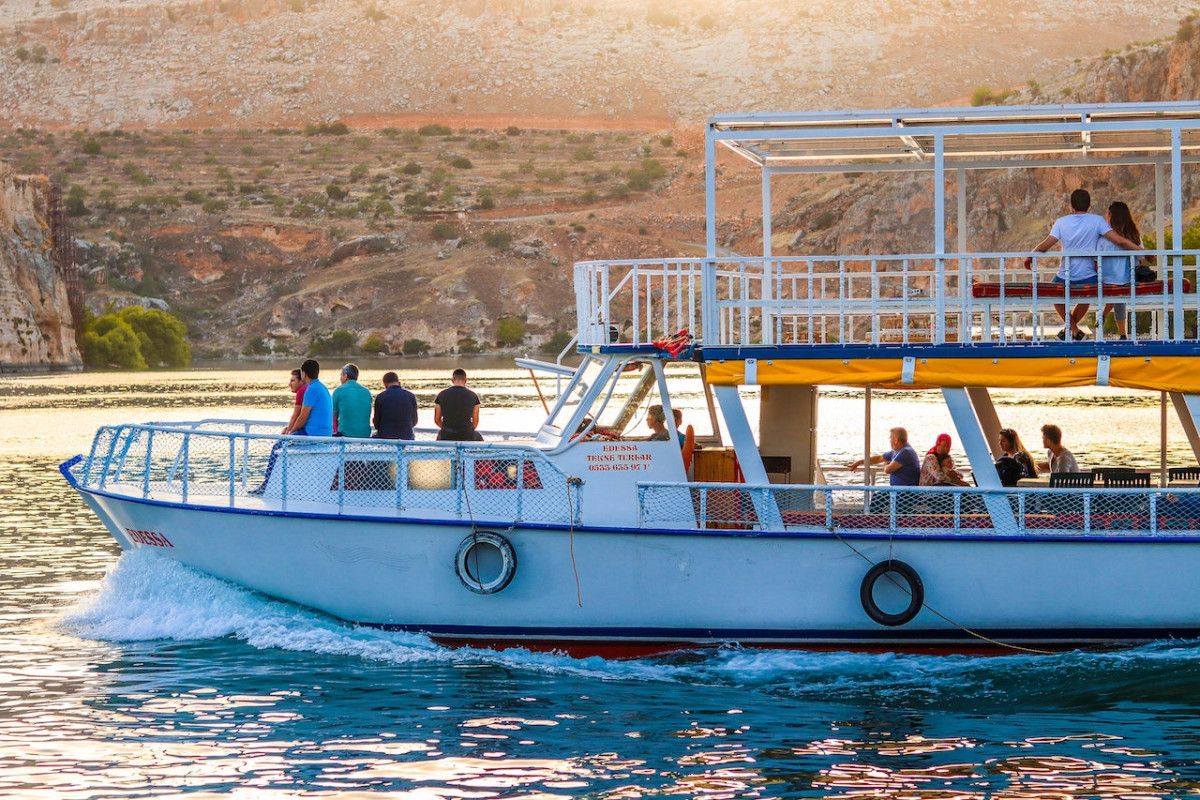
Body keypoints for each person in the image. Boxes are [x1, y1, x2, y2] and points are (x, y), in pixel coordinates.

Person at [1024, 188, 1143, 341]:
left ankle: (1072, 330)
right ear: (1090, 204)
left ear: (1071, 205)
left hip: (1065, 275)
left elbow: (1045, 245)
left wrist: (1030, 256)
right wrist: (1142, 252)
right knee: (1086, 298)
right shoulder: (1097, 221)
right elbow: (1119, 240)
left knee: (1053, 295)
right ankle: (1074, 329)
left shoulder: (1061, 222)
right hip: (1088, 276)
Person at [1097, 200, 1149, 340]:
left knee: (1117, 292)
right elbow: (1140, 258)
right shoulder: (1133, 236)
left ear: (1110, 215)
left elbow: (1096, 260)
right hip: (1126, 278)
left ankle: (1105, 318)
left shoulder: (1103, 237)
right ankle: (1122, 333)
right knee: (1120, 292)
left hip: (1106, 279)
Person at [846, 427, 921, 486]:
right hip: (897, 491)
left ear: (895, 440)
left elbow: (888, 470)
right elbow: (878, 459)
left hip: (906, 494)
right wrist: (859, 462)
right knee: (877, 498)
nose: (889, 440)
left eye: (890, 438)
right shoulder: (896, 451)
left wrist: (886, 464)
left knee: (877, 500)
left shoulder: (906, 452)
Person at [434, 368, 482, 441]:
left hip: (446, 435)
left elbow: (437, 420)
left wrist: (447, 429)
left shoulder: (441, 395)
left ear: (452, 380)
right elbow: (475, 421)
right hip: (466, 435)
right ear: (465, 380)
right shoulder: (473, 396)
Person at [373, 371, 418, 440]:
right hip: (407, 436)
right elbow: (414, 421)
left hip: (386, 436)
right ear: (399, 382)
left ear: (385, 384)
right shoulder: (410, 396)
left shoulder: (381, 397)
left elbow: (376, 423)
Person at [293, 358, 333, 437]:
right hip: (327, 433)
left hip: (314, 433)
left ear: (304, 374)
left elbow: (302, 418)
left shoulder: (311, 389)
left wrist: (291, 431)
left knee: (279, 444)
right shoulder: (322, 387)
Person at [331, 363, 372, 438]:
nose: (340, 378)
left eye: (341, 375)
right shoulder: (367, 392)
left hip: (345, 435)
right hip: (365, 435)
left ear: (346, 376)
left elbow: (333, 417)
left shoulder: (339, 391)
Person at [282, 368, 306, 435]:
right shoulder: (307, 388)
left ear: (301, 382)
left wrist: (288, 433)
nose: (289, 384)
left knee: (279, 444)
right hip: (324, 430)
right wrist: (289, 428)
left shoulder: (302, 390)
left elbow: (295, 416)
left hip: (312, 432)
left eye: (292, 381)